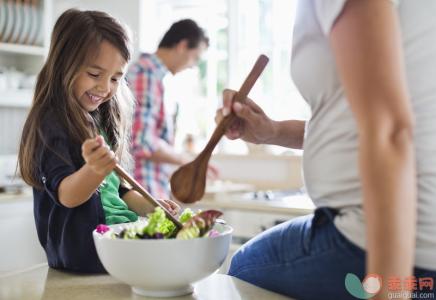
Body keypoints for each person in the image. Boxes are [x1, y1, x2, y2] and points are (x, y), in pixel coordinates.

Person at [216, 0, 436, 299]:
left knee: (243, 269)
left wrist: (389, 289)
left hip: (387, 244)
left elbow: (389, 131)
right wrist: (273, 131)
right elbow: (359, 124)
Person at [18, 9, 179, 274]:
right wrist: (94, 169)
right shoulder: (52, 122)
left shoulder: (101, 118)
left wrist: (154, 208)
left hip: (118, 247)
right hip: (86, 257)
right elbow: (67, 195)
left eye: (116, 78)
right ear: (65, 65)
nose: (105, 87)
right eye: (94, 74)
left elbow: (119, 192)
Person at [127, 19, 216, 200]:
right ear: (182, 46)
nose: (193, 65)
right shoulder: (147, 74)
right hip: (143, 187)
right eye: (195, 57)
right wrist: (186, 160)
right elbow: (142, 141)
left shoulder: (153, 75)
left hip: (150, 186)